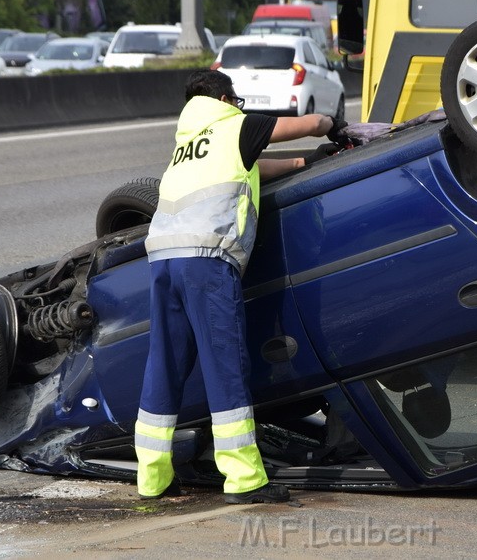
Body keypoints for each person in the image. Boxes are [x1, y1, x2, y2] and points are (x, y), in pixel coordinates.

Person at [134, 68, 342, 504]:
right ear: (227, 99)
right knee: (224, 363)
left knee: (164, 365)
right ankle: (245, 479)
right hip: (206, 261)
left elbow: (249, 167)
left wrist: (304, 163)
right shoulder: (234, 123)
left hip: (163, 260)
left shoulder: (187, 142)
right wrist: (332, 125)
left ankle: (152, 478)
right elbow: (302, 125)